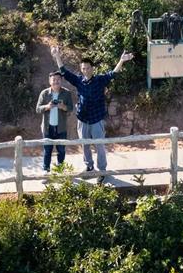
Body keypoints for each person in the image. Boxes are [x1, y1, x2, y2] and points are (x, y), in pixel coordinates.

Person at [50, 45, 133, 180]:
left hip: (96, 120)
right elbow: (64, 72)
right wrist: (57, 56)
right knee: (85, 146)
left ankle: (102, 171)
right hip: (83, 120)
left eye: (88, 68)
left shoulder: (99, 80)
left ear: (92, 68)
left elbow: (113, 74)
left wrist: (121, 60)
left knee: (99, 146)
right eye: (83, 68)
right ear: (81, 69)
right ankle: (89, 167)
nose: (85, 70)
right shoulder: (78, 80)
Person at [36, 70, 73, 174]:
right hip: (48, 128)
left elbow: (70, 109)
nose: (56, 81)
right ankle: (46, 170)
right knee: (47, 150)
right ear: (50, 81)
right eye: (54, 79)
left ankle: (60, 170)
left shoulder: (66, 93)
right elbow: (37, 109)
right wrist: (47, 106)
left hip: (61, 127)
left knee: (61, 150)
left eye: (58, 79)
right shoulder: (44, 93)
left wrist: (63, 107)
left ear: (61, 80)